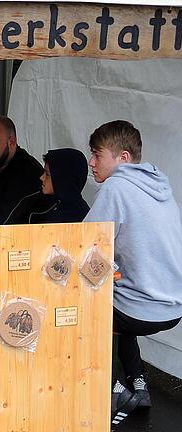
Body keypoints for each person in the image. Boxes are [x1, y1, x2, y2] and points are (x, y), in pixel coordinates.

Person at [81, 121, 182, 424]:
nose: (91, 162)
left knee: (76, 309)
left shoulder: (118, 185)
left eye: (97, 155)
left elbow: (84, 244)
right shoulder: (161, 186)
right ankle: (139, 384)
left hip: (142, 306)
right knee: (114, 301)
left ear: (123, 159)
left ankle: (111, 390)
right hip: (173, 305)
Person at [32, 148, 90, 223]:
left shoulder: (73, 216)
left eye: (47, 174)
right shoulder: (53, 204)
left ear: (62, 180)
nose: (41, 178)